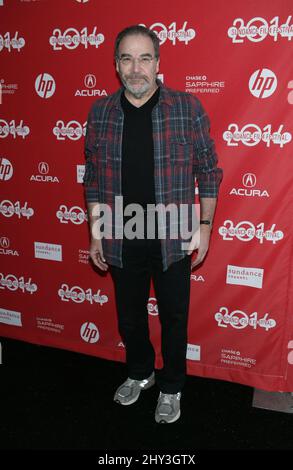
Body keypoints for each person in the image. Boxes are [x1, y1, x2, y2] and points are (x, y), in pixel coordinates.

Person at [83, 25, 223, 424]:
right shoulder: (101, 112)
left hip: (174, 232)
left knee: (175, 316)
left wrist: (206, 226)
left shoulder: (186, 107)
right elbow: (92, 177)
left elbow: (209, 171)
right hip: (122, 231)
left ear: (158, 64)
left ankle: (172, 385)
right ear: (116, 66)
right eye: (127, 58)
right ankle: (140, 373)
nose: (136, 67)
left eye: (145, 58)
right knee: (129, 317)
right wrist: (95, 231)